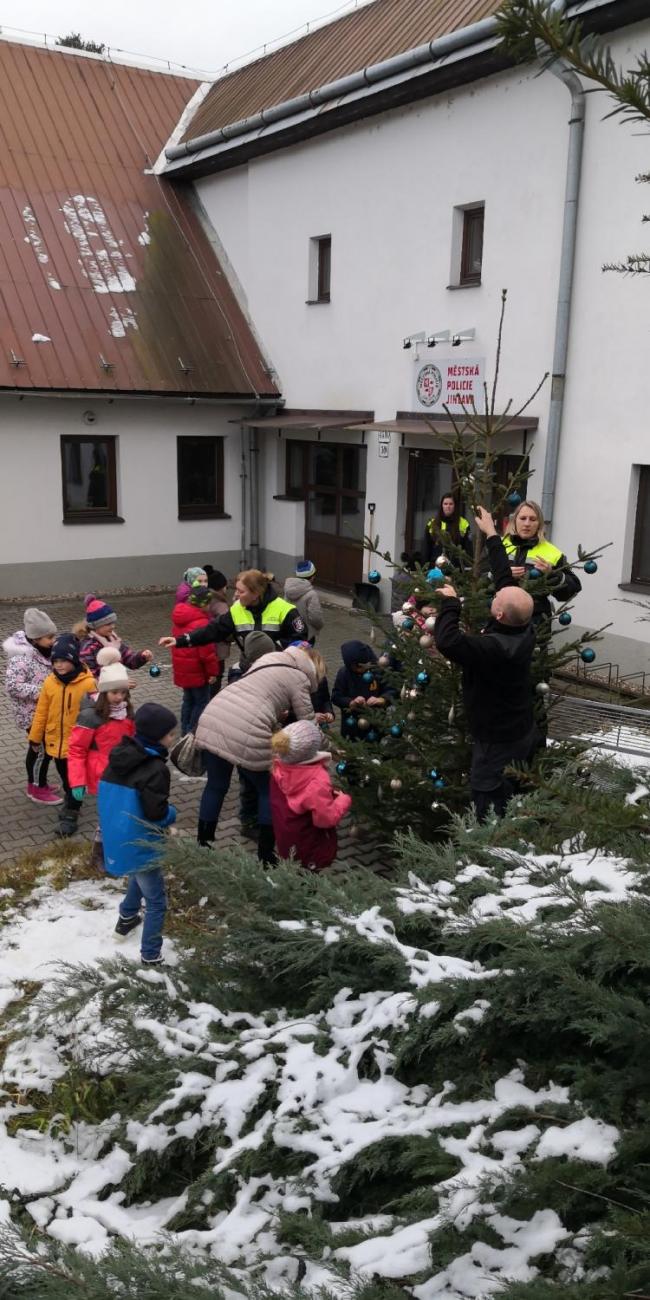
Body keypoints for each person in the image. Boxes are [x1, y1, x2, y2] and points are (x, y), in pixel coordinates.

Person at [434, 506, 539, 821]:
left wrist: (451, 603)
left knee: (488, 795)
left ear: (499, 615)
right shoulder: (523, 624)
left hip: (497, 740)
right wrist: (492, 533)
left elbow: (448, 641)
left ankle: (490, 844)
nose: (494, 596)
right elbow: (506, 581)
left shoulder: (494, 648)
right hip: (522, 729)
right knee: (514, 788)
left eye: (495, 600)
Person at [194, 644, 324, 861]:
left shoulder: (270, 658)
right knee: (268, 789)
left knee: (216, 786)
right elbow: (309, 725)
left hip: (215, 715)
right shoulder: (299, 678)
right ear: (313, 668)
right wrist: (330, 747)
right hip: (248, 727)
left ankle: (203, 845)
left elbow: (256, 694)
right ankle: (265, 856)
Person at [98, 702, 177, 967]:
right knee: (157, 902)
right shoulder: (155, 769)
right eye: (170, 734)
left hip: (118, 837)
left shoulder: (119, 757)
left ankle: (127, 917)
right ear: (158, 737)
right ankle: (150, 955)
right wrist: (173, 814)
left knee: (139, 876)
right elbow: (156, 814)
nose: (173, 738)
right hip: (141, 842)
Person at [67, 647, 136, 871]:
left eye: (123, 692)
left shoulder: (127, 712)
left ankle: (116, 851)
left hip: (124, 773)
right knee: (108, 816)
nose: (119, 697)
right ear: (104, 692)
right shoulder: (90, 717)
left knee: (120, 815)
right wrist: (77, 782)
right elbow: (76, 750)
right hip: (102, 776)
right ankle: (99, 855)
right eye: (114, 692)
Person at [28, 634, 96, 837]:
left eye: (63, 660)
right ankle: (70, 796)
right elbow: (41, 711)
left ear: (73, 660)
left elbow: (96, 715)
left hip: (77, 744)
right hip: (55, 743)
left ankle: (72, 812)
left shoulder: (89, 684)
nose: (58, 665)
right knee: (66, 778)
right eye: (55, 661)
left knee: (76, 779)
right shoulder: (50, 682)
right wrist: (35, 737)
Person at [159, 569, 307, 659]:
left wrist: (275, 652)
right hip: (250, 670)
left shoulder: (286, 610)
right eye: (235, 589)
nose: (235, 595)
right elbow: (212, 631)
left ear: (256, 594)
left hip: (279, 672)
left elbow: (301, 641)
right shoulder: (237, 610)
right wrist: (179, 640)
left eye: (241, 591)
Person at [270, 720, 352, 871]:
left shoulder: (278, 766)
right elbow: (325, 819)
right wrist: (343, 800)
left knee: (295, 874)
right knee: (308, 882)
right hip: (308, 845)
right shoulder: (317, 780)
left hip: (286, 838)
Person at [3, 607, 60, 804]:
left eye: (53, 636)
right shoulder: (21, 658)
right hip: (32, 714)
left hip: (46, 712)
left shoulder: (45, 651)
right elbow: (12, 686)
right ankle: (37, 789)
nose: (53, 640)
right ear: (35, 639)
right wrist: (44, 692)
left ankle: (37, 783)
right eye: (49, 637)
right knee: (42, 751)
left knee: (41, 750)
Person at [501, 500, 581, 622]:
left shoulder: (552, 553)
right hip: (500, 619)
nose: (527, 523)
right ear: (514, 521)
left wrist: (552, 574)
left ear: (539, 524)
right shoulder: (500, 546)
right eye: (523, 518)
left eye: (532, 519)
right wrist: (503, 574)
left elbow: (572, 589)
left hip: (536, 624)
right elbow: (479, 581)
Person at [170, 581, 221, 734]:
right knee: (201, 702)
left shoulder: (180, 616)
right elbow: (207, 653)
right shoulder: (203, 622)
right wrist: (212, 673)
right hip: (198, 671)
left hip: (183, 668)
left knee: (188, 700)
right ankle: (193, 732)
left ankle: (184, 730)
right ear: (204, 604)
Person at [76, 595, 153, 677]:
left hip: (116, 687)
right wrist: (118, 683)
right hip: (103, 689)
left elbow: (129, 660)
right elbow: (90, 675)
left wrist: (141, 656)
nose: (113, 626)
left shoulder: (112, 639)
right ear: (95, 626)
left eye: (113, 623)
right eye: (108, 624)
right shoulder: (88, 647)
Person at [332, 640, 395, 738]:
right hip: (352, 726)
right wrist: (351, 702)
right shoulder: (344, 674)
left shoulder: (378, 671)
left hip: (376, 724)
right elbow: (336, 696)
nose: (359, 670)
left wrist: (382, 699)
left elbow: (391, 689)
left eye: (361, 666)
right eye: (355, 667)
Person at [202, 566, 230, 693]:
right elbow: (227, 629)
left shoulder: (203, 599)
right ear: (220, 587)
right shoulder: (221, 606)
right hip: (217, 651)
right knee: (216, 678)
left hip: (204, 650)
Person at [425, 494, 472, 565]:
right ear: (442, 506)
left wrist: (468, 568)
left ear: (455, 506)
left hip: (456, 569)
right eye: (445, 504)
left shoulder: (463, 523)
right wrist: (425, 568)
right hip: (435, 568)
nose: (448, 506)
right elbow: (426, 547)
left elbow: (468, 549)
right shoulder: (432, 524)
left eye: (451, 504)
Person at [283, 561, 324, 643]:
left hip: (288, 633)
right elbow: (316, 618)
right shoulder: (311, 594)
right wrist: (319, 626)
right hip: (305, 636)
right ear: (312, 577)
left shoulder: (288, 590)